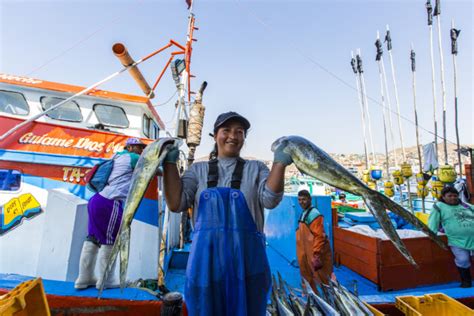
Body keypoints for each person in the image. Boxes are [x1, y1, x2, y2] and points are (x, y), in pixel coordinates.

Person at [163, 111, 291, 316]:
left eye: (239, 131)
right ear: (215, 135)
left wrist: (280, 163)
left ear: (244, 138)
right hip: (206, 264)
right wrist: (168, 164)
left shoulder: (256, 168)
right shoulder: (197, 170)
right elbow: (176, 203)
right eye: (226, 130)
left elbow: (270, 199)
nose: (233, 135)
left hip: (249, 263)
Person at [74, 137, 147, 290]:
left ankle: (84, 278)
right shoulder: (133, 158)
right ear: (131, 147)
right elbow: (151, 169)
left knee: (92, 239)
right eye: (140, 148)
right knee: (111, 242)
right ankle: (106, 280)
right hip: (110, 202)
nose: (142, 151)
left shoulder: (116, 156)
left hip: (97, 200)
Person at [428, 186, 474, 288]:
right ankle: (466, 281)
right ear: (443, 197)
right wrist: (432, 234)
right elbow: (433, 222)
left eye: (455, 195)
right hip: (457, 240)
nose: (453, 198)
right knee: (463, 260)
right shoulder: (439, 206)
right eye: (449, 196)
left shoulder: (467, 206)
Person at [296, 189, 333, 292]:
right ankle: (311, 298)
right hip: (306, 253)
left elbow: (319, 236)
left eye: (304, 199)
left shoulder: (314, 214)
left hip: (314, 253)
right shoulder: (304, 213)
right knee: (307, 277)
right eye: (299, 200)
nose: (301, 202)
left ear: (310, 199)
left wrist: (316, 254)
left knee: (321, 279)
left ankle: (326, 300)